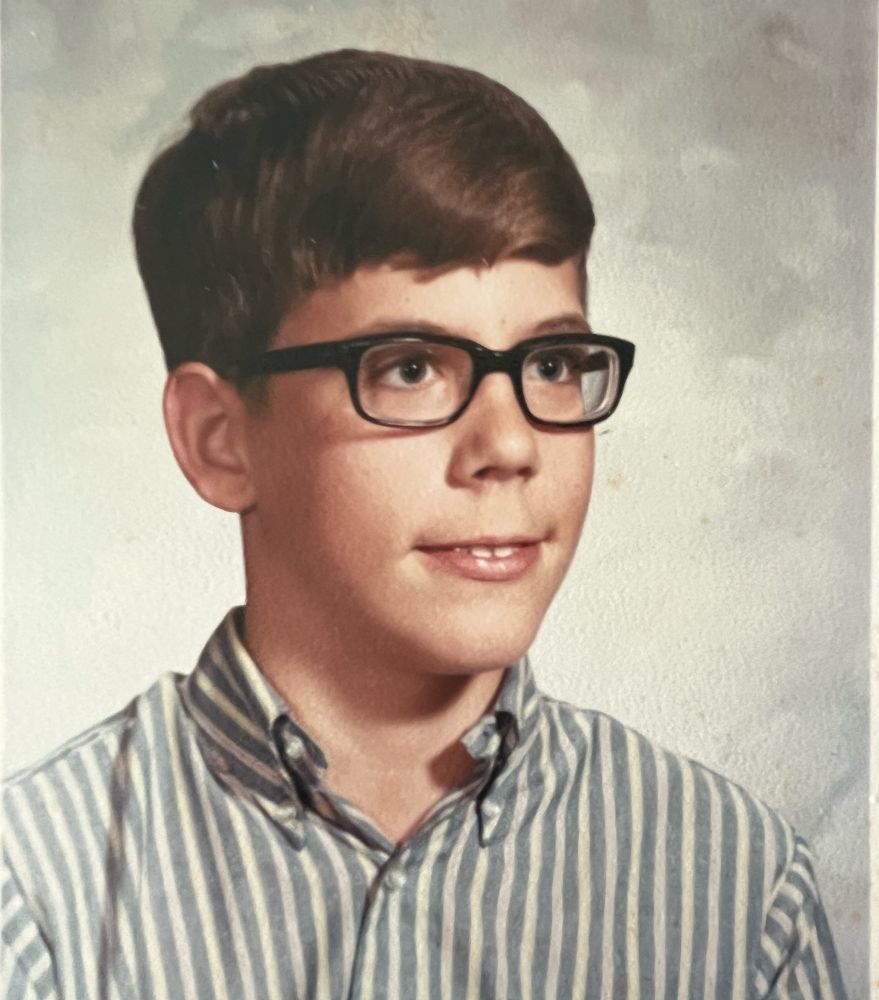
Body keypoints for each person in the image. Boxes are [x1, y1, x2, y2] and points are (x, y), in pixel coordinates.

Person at [2, 49, 846, 999]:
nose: (510, 443)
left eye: (555, 363)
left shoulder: (735, 890)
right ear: (220, 440)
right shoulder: (35, 891)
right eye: (409, 368)